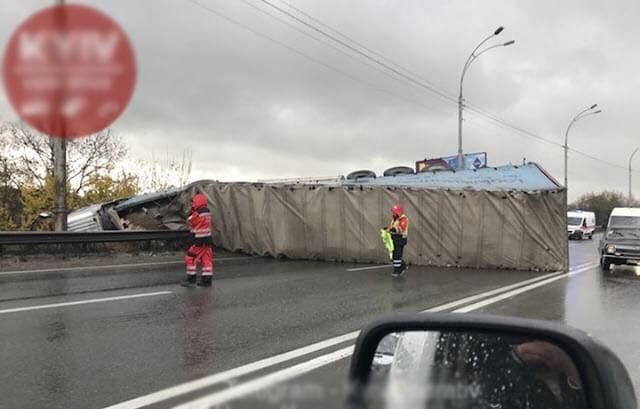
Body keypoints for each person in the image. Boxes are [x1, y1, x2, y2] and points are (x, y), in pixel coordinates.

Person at [182, 192, 214, 287]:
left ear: (198, 202)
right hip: (207, 241)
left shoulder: (198, 213)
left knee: (190, 258)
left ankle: (191, 280)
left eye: (194, 203)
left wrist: (192, 210)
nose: (193, 204)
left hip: (198, 241)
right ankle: (207, 280)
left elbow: (189, 220)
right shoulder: (207, 212)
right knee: (206, 260)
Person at [386, 204, 409, 277]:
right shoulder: (395, 219)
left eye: (394, 212)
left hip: (400, 239)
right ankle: (402, 266)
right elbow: (393, 227)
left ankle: (398, 270)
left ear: (398, 212)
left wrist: (391, 229)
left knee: (397, 255)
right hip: (394, 238)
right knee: (395, 255)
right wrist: (387, 229)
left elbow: (400, 228)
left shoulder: (404, 219)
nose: (392, 213)